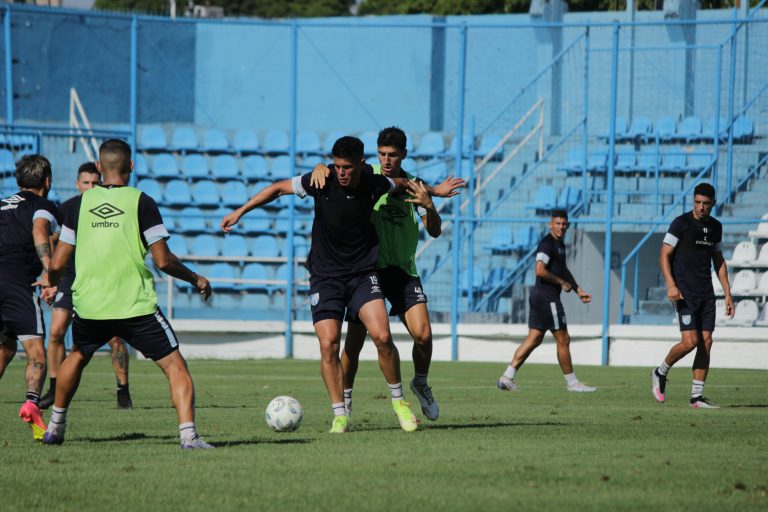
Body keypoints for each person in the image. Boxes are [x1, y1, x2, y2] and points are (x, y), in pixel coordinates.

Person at [221, 136, 463, 433]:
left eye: (347, 167)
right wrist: (240, 211)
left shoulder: (375, 182)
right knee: (333, 344)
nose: (341, 172)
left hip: (368, 272)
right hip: (327, 276)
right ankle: (341, 411)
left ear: (361, 165)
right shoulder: (320, 180)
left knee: (384, 337)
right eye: (337, 166)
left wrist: (435, 193)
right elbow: (277, 189)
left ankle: (401, 401)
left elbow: (403, 184)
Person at [38, 139, 214, 449]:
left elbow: (59, 261)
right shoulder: (141, 202)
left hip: (91, 305)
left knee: (78, 355)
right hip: (135, 306)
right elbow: (163, 260)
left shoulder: (78, 206)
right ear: (130, 167)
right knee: (175, 366)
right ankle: (189, 436)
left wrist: (50, 281)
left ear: (99, 168)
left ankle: (55, 427)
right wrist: (195, 278)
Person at [310, 127, 458, 421]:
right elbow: (340, 167)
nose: (386, 160)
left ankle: (421, 383)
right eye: (382, 154)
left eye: (392, 155)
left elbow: (435, 231)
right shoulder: (367, 176)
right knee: (353, 343)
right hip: (368, 270)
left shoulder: (413, 185)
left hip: (403, 271)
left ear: (403, 154)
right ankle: (346, 401)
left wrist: (430, 205)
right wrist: (319, 166)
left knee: (424, 336)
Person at [39, 162, 133, 410]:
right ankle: (54, 388)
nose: (91, 187)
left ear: (101, 182)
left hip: (102, 280)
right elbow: (52, 240)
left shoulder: (111, 207)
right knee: (57, 332)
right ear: (77, 184)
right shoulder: (67, 209)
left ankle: (123, 391)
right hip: (70, 280)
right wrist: (50, 279)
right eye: (86, 183)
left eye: (95, 182)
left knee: (114, 338)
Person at [651, 182, 734, 409]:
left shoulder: (716, 227)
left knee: (706, 342)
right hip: (684, 293)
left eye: (706, 203)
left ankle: (696, 398)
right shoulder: (681, 224)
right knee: (691, 341)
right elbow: (664, 255)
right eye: (697, 202)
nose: (701, 207)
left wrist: (728, 293)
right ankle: (660, 372)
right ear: (693, 202)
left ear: (713, 204)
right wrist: (671, 285)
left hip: (706, 293)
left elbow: (718, 260)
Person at [497, 209, 596, 393]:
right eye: (558, 223)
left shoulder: (559, 244)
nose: (561, 227)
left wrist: (577, 290)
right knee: (563, 339)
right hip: (546, 298)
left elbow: (563, 269)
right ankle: (573, 383)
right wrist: (561, 282)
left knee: (534, 339)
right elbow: (539, 270)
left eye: (564, 224)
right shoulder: (547, 244)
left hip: (540, 297)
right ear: (550, 224)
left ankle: (507, 377)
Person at [0, 154, 59, 440]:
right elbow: (39, 230)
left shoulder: (1, 204)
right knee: (36, 354)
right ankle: (33, 405)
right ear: (47, 181)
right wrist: (50, 272)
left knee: (5, 347)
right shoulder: (43, 205)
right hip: (17, 285)